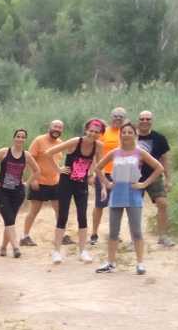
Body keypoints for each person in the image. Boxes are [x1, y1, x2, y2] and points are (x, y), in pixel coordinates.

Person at [94, 123, 166, 276]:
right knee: (113, 232)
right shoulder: (115, 152)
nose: (126, 134)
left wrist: (144, 184)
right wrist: (106, 183)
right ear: (120, 135)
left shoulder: (139, 152)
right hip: (117, 193)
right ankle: (111, 263)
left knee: (136, 231)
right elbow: (98, 168)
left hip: (133, 194)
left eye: (129, 132)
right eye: (124, 132)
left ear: (135, 135)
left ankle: (140, 264)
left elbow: (159, 167)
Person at [41, 118, 105, 264]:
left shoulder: (99, 146)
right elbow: (49, 153)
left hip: (81, 184)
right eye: (91, 131)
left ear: (100, 134)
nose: (93, 134)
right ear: (86, 130)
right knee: (62, 215)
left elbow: (98, 166)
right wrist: (58, 169)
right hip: (66, 183)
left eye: (96, 132)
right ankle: (56, 251)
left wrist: (99, 180)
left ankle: (83, 251)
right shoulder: (76, 142)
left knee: (82, 216)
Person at [0, 129, 39, 259]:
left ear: (25, 140)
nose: (20, 139)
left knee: (10, 220)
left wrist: (27, 183)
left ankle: (3, 247)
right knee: (9, 219)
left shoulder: (27, 155)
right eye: (18, 136)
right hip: (1, 192)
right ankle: (16, 248)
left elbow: (37, 171)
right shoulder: (4, 152)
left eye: (23, 137)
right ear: (14, 138)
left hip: (17, 193)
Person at [19, 120, 65, 247]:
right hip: (39, 181)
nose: (57, 129)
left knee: (59, 209)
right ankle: (25, 237)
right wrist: (33, 178)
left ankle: (61, 235)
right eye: (55, 126)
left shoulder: (60, 143)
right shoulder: (39, 140)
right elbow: (29, 159)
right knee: (34, 210)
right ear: (49, 127)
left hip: (55, 182)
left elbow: (58, 162)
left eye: (60, 128)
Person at [136, 110, 174, 248]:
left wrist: (168, 179)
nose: (145, 121)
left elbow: (165, 159)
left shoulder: (159, 138)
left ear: (152, 121)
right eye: (142, 119)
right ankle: (135, 238)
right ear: (138, 120)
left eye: (148, 119)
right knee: (133, 207)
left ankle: (163, 236)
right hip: (134, 177)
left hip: (154, 175)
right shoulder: (129, 136)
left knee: (163, 203)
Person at [91, 107, 127, 246]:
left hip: (121, 174)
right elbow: (95, 153)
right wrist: (94, 172)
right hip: (104, 173)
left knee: (117, 205)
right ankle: (94, 233)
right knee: (100, 205)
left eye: (121, 116)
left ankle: (114, 233)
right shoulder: (103, 132)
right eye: (115, 116)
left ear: (124, 118)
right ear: (111, 117)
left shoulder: (126, 132)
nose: (118, 118)